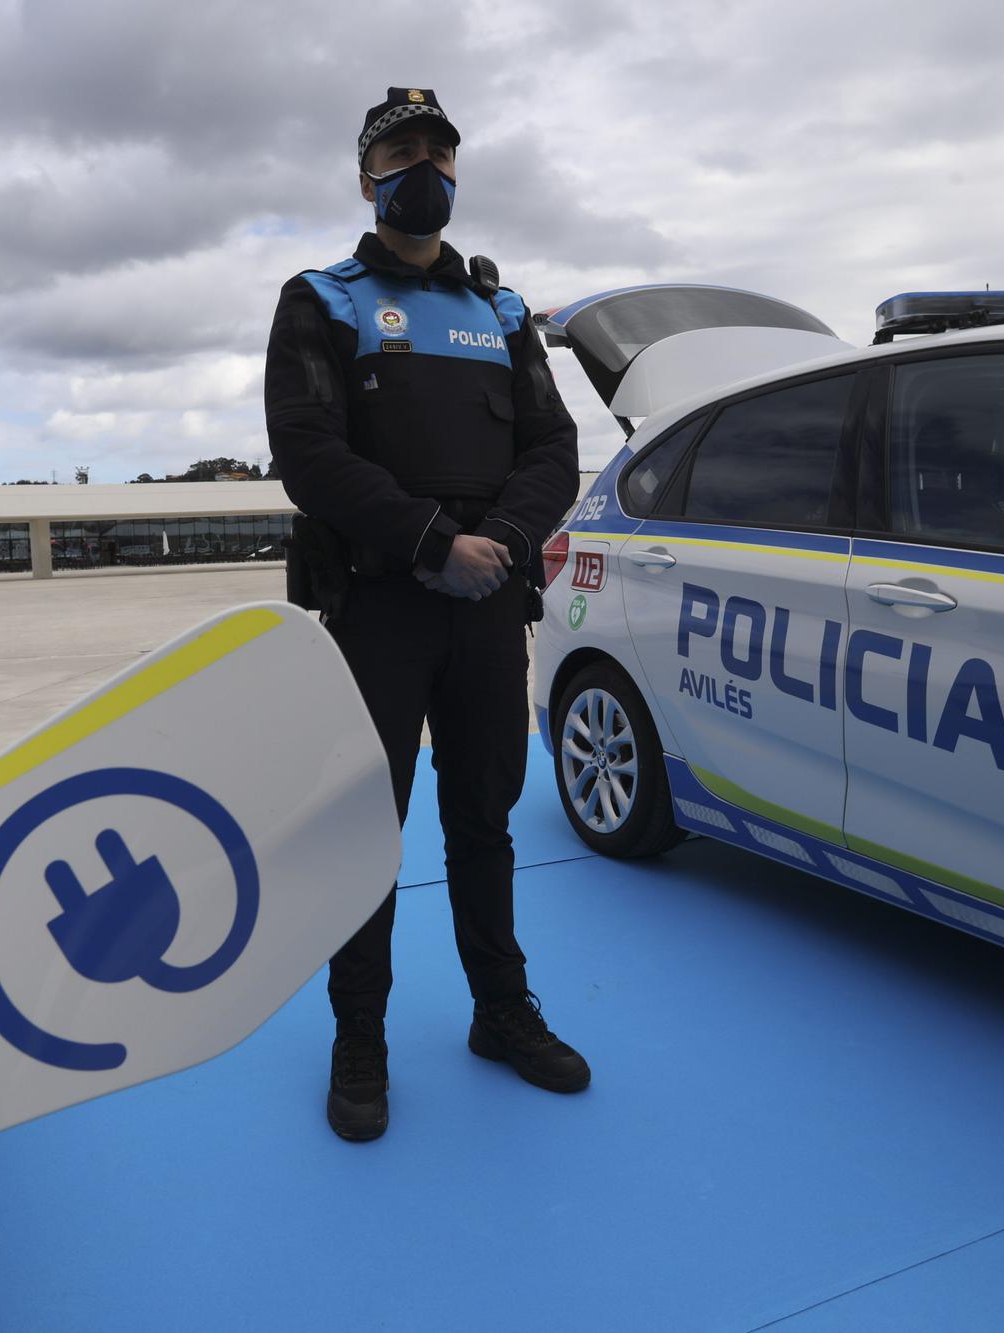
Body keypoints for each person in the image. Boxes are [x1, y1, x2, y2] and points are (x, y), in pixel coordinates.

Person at [264, 87, 588, 1142]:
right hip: (378, 609)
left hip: (488, 607)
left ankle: (500, 1011)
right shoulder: (323, 300)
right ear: (366, 177)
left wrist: (490, 546)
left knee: (483, 822)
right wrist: (428, 544)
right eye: (402, 152)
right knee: (367, 831)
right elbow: (307, 453)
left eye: (441, 153)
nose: (427, 169)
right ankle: (360, 1033)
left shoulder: (500, 311)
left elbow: (551, 448)